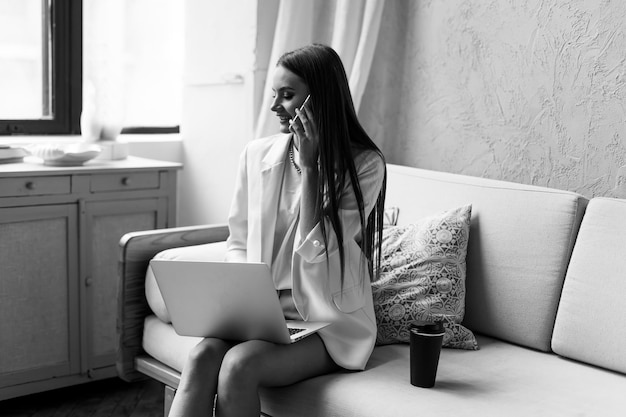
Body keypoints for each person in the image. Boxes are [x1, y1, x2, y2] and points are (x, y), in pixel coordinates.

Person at [168, 43, 387, 417]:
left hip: (324, 318)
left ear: (321, 102)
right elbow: (237, 240)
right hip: (261, 313)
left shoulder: (365, 166)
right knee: (203, 354)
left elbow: (319, 251)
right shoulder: (256, 155)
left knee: (239, 365)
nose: (274, 107)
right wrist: (243, 297)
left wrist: (311, 166)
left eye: (287, 96)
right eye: (275, 94)